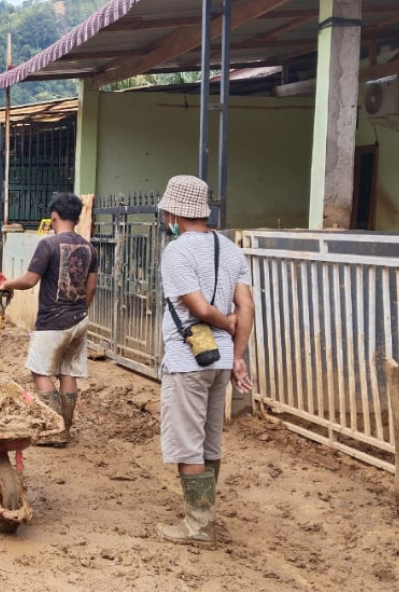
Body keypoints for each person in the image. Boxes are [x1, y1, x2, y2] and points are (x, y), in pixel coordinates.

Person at [154, 174, 255, 547]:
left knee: (187, 443)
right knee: (210, 442)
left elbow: (196, 306)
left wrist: (224, 321)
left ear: (174, 213)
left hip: (189, 360)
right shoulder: (231, 250)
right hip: (222, 361)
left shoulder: (177, 252)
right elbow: (247, 306)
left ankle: (197, 526)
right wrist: (238, 355)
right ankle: (206, 517)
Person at [0, 193, 97, 446]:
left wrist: (7, 283)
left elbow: (30, 280)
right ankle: (66, 428)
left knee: (40, 371)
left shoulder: (48, 245)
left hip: (52, 321)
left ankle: (55, 430)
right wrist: (79, 311)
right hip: (79, 319)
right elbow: (91, 288)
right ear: (77, 217)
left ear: (54, 217)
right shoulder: (89, 248)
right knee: (68, 372)